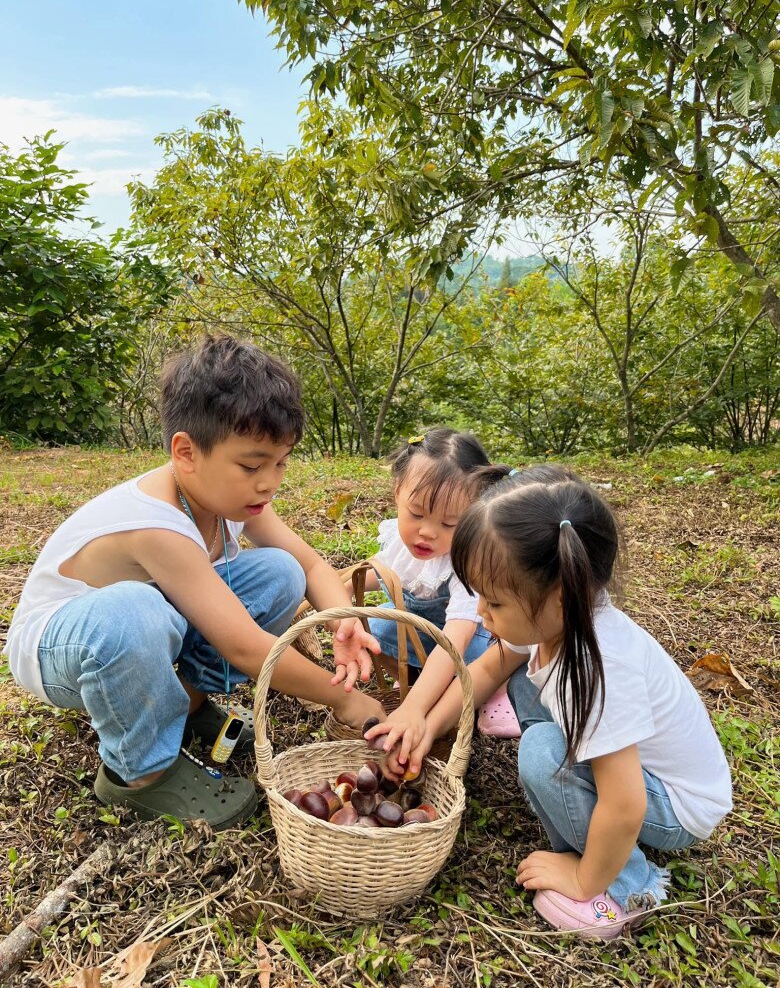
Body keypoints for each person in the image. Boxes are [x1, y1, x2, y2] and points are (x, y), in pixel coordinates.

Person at [5, 334, 383, 829]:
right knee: (134, 610)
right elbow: (246, 647)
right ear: (186, 451)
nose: (269, 482)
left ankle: (184, 702)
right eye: (251, 465)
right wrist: (344, 698)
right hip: (65, 648)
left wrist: (343, 622)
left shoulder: (228, 497)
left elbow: (310, 566)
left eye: (280, 463)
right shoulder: (155, 523)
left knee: (278, 571)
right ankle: (142, 772)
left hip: (142, 630)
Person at [367, 465, 732, 939]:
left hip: (673, 805)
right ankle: (584, 822)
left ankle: (627, 885)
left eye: (493, 603)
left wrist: (583, 877)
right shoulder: (556, 617)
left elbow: (625, 804)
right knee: (516, 677)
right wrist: (426, 726)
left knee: (541, 755)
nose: (480, 613)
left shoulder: (595, 670)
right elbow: (486, 669)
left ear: (559, 597)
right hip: (641, 774)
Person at [353, 428, 520, 756]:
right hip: (416, 631)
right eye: (416, 513)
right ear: (398, 492)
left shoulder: (468, 562)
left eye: (449, 524)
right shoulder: (397, 539)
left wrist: (414, 707)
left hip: (459, 643)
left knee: (474, 663)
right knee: (377, 632)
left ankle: (498, 690)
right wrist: (330, 591)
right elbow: (377, 569)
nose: (427, 532)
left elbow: (454, 641)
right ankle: (419, 675)